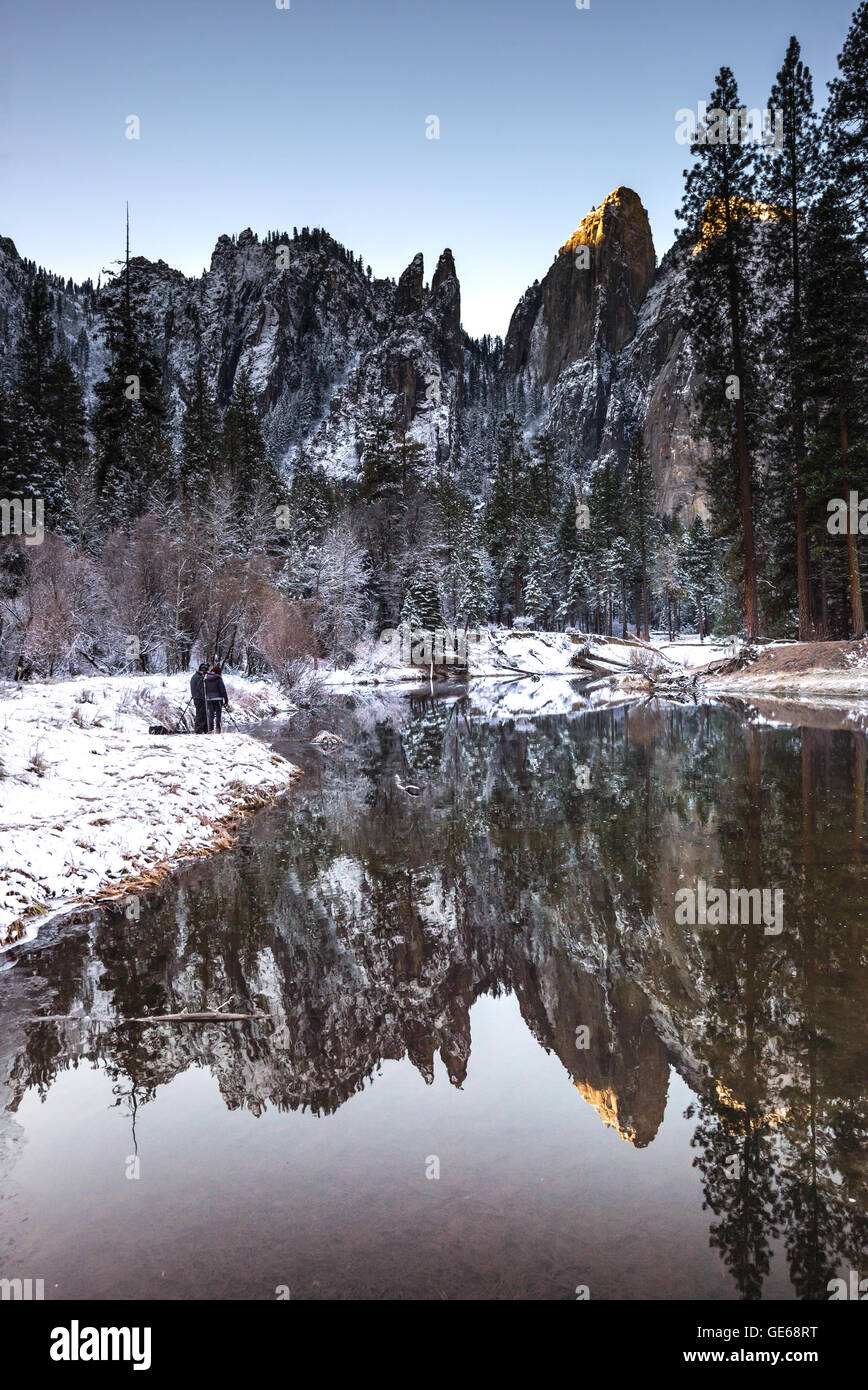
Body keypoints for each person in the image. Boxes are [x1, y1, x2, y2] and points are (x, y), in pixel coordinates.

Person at [204, 662, 230, 734]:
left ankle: (210, 730)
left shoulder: (206, 679)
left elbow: (205, 689)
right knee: (218, 715)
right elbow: (223, 690)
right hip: (218, 699)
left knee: (211, 715)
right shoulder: (218, 679)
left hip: (209, 699)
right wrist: (226, 700)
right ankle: (218, 731)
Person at [190, 662, 208, 733]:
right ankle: (199, 730)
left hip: (196, 697)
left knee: (201, 714)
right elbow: (202, 688)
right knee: (200, 714)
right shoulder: (199, 678)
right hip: (200, 698)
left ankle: (203, 729)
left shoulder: (195, 676)